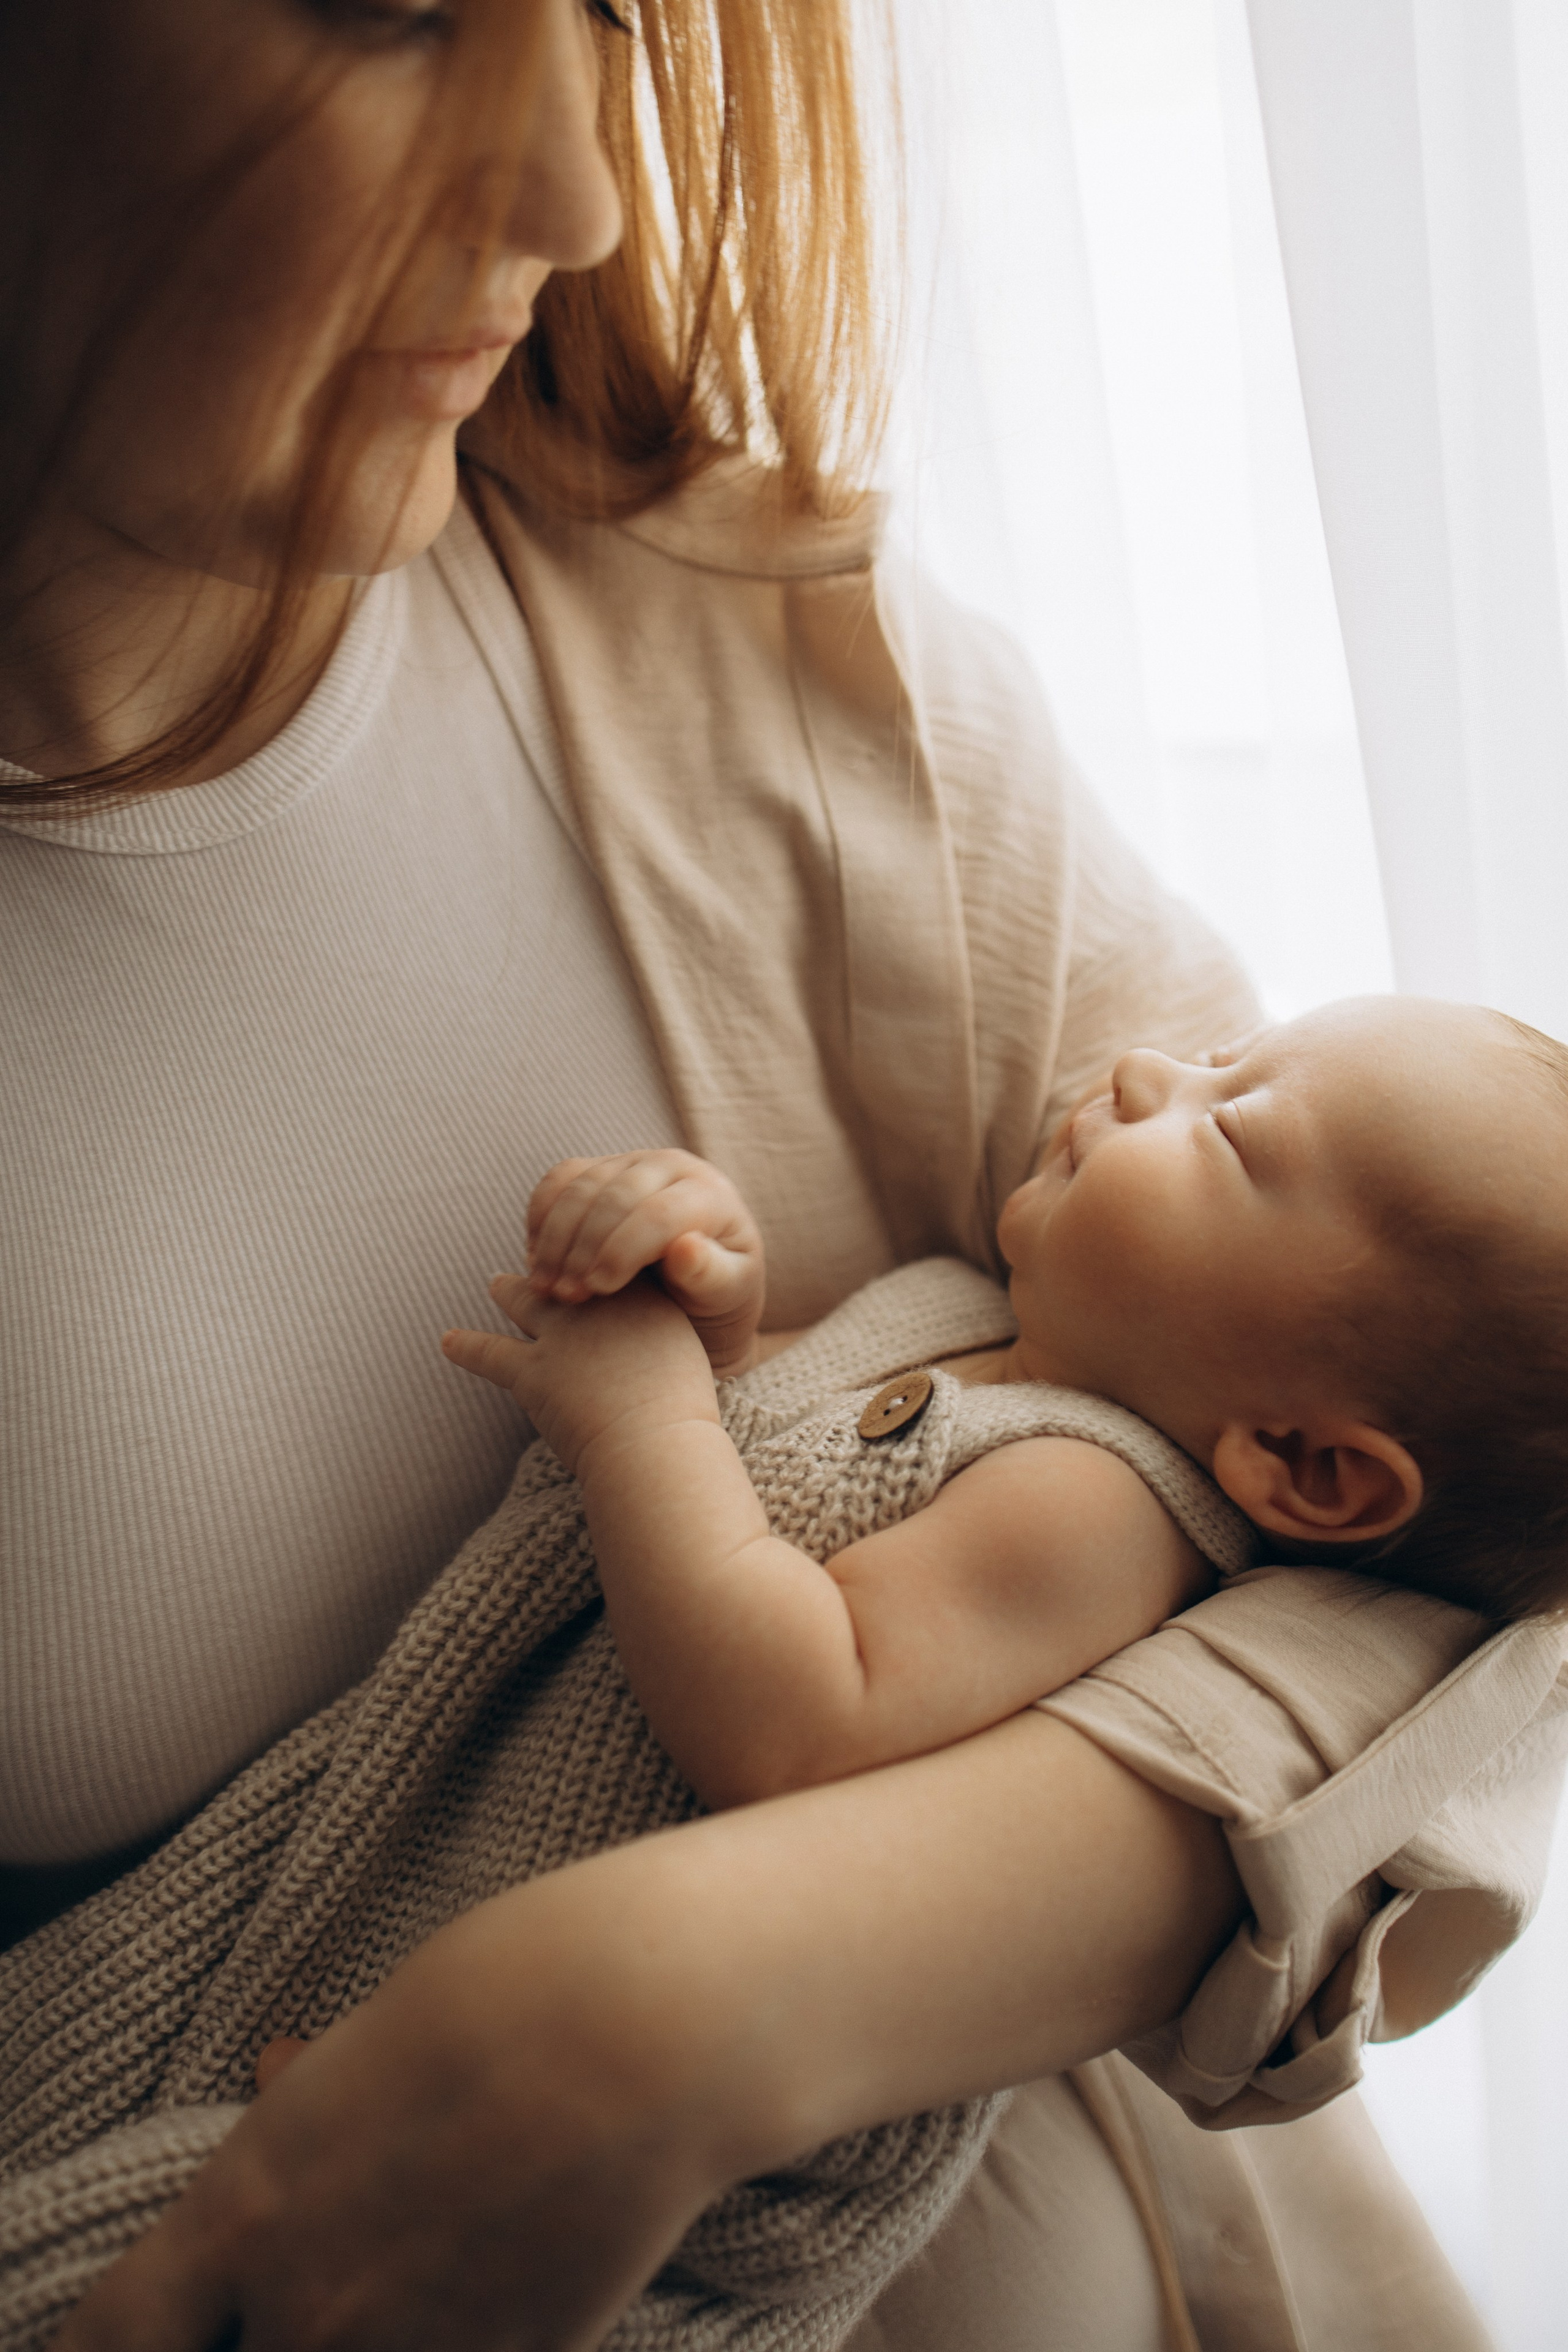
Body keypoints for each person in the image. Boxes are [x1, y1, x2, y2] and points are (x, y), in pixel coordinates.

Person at [1, 2, 1560, 2346]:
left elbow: (1504, 1548)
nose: (582, 200)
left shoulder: (778, 673)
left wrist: (688, 2004)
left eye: (610, 11)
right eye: (397, 10)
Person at [440, 996, 1568, 1812]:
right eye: (1220, 1058)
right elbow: (750, 1435)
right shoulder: (959, 1307)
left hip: (609, 2022)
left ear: (1303, 1461)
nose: (1140, 1068)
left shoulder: (1096, 1507)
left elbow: (789, 1719)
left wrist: (642, 1421)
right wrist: (702, 1302)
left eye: (1228, 1127)